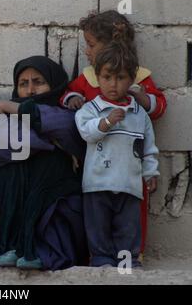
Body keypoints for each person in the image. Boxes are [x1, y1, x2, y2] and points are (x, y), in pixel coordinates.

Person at [0, 56, 87, 270]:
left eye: (38, 82)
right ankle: (11, 246)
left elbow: (66, 128)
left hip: (51, 191)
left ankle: (37, 249)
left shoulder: (70, 113)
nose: (30, 90)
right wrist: (48, 140)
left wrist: (5, 107)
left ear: (54, 83)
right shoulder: (2, 118)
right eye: (23, 84)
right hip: (13, 193)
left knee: (48, 171)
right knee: (3, 173)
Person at [60, 9, 166, 255]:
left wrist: (142, 98)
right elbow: (67, 94)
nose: (87, 51)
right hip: (98, 164)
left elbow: (159, 106)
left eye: (91, 44)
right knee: (97, 214)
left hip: (129, 166)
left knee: (131, 213)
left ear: (111, 44)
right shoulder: (89, 77)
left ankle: (131, 255)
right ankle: (99, 258)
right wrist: (74, 98)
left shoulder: (139, 77)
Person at [75, 42, 159, 268]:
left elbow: (148, 147)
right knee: (98, 225)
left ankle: (127, 263)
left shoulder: (139, 113)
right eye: (107, 77)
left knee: (128, 226)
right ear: (98, 77)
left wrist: (151, 172)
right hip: (97, 183)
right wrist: (106, 122)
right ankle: (101, 261)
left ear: (132, 79)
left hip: (129, 184)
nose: (113, 84)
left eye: (120, 77)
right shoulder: (92, 108)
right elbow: (85, 131)